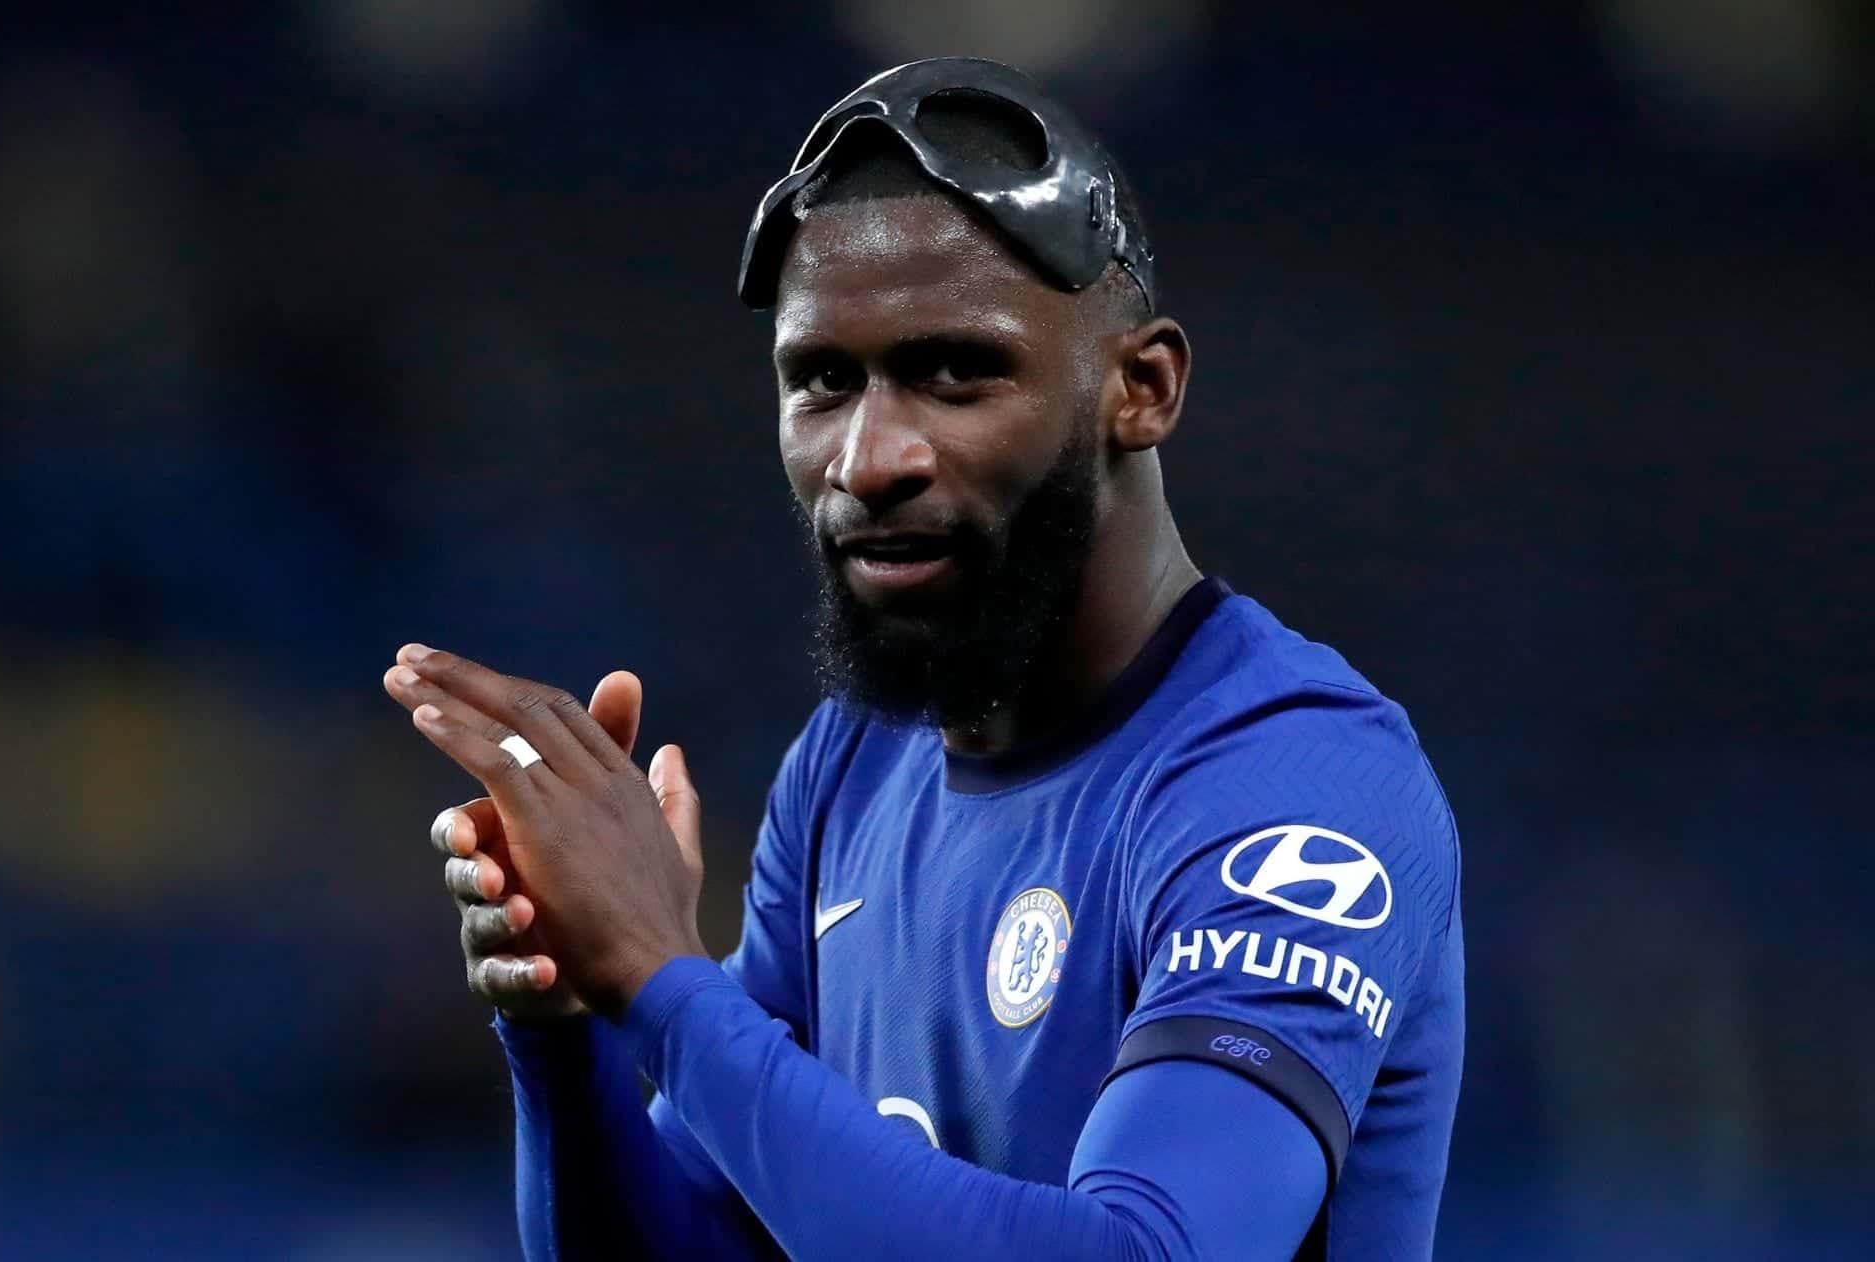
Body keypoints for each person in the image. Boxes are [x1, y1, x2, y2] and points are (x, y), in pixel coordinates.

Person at [381, 58, 1462, 1261]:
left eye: (954, 371)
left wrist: (661, 976)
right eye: (821, 381)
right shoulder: (851, 769)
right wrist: (567, 1016)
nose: (868, 457)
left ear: (1141, 388)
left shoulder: (1294, 786)